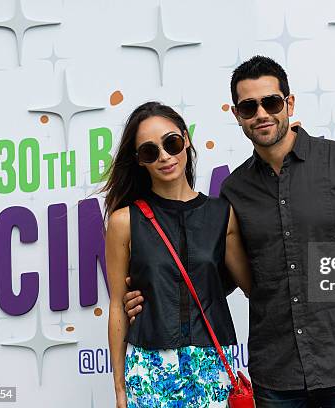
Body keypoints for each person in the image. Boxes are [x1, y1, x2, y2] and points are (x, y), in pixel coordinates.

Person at [124, 56, 335, 407]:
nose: (261, 113)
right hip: (277, 382)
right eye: (249, 107)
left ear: (289, 103)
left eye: (271, 102)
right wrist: (154, 293)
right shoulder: (233, 191)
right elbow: (218, 278)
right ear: (237, 116)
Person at [103, 101, 251, 408]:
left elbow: (253, 286)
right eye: (149, 151)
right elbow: (118, 304)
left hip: (212, 363)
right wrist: (119, 388)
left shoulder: (222, 214)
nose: (165, 157)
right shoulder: (123, 222)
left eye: (171, 143)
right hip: (149, 368)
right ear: (139, 161)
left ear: (186, 140)